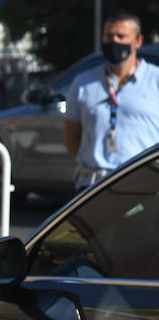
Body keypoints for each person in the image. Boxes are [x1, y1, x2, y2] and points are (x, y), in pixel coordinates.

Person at [64, 11, 159, 190]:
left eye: (121, 36)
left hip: (143, 185)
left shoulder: (155, 79)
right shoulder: (83, 82)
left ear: (138, 41)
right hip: (93, 186)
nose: (114, 41)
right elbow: (71, 138)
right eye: (109, 36)